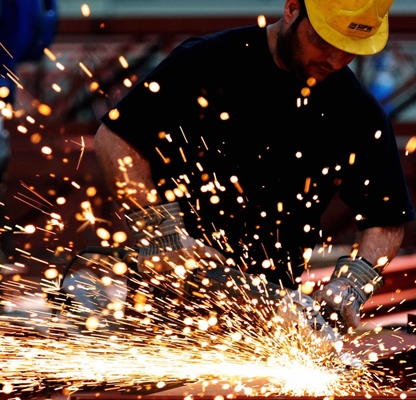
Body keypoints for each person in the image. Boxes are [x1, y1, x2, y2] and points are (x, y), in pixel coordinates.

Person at [93, 0, 415, 334]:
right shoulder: (207, 62)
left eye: (349, 51)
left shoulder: (357, 112)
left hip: (270, 318)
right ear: (292, 9)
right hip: (167, 301)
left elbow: (386, 220)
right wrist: (160, 230)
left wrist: (352, 284)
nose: (334, 61)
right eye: (323, 42)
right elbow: (116, 139)